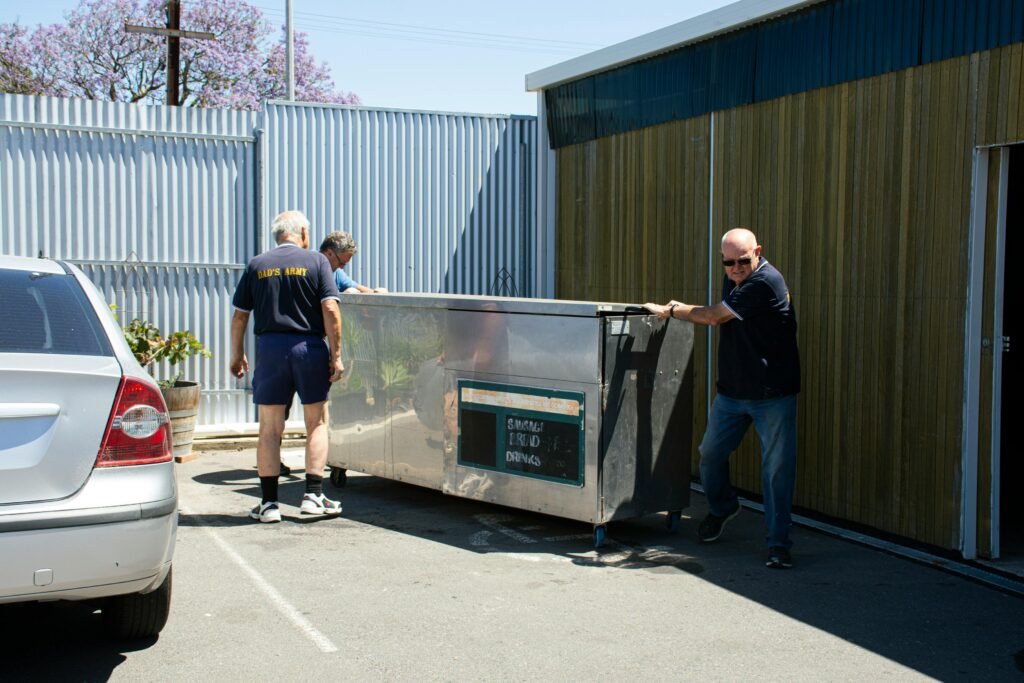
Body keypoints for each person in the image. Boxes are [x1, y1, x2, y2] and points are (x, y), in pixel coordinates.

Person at [643, 228, 800, 569]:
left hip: (772, 394)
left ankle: (778, 544)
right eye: (728, 263)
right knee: (710, 456)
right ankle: (724, 506)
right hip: (732, 392)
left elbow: (714, 316)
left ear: (758, 251)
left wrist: (672, 309)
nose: (735, 268)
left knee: (776, 472)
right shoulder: (734, 278)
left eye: (743, 260)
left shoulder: (766, 281)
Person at [230, 210, 345, 523]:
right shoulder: (317, 262)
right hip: (308, 347)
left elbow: (240, 315)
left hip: (270, 349)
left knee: (269, 428)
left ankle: (268, 504)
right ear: (304, 233)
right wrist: (335, 354)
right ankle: (312, 496)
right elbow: (331, 310)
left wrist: (237, 354)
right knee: (317, 423)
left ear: (277, 235)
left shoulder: (257, 264)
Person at [318, 231, 388, 294]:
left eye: (344, 264)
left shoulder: (335, 272)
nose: (341, 267)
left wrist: (375, 292)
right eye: (341, 263)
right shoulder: (308, 266)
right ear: (329, 253)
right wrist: (343, 297)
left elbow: (357, 287)